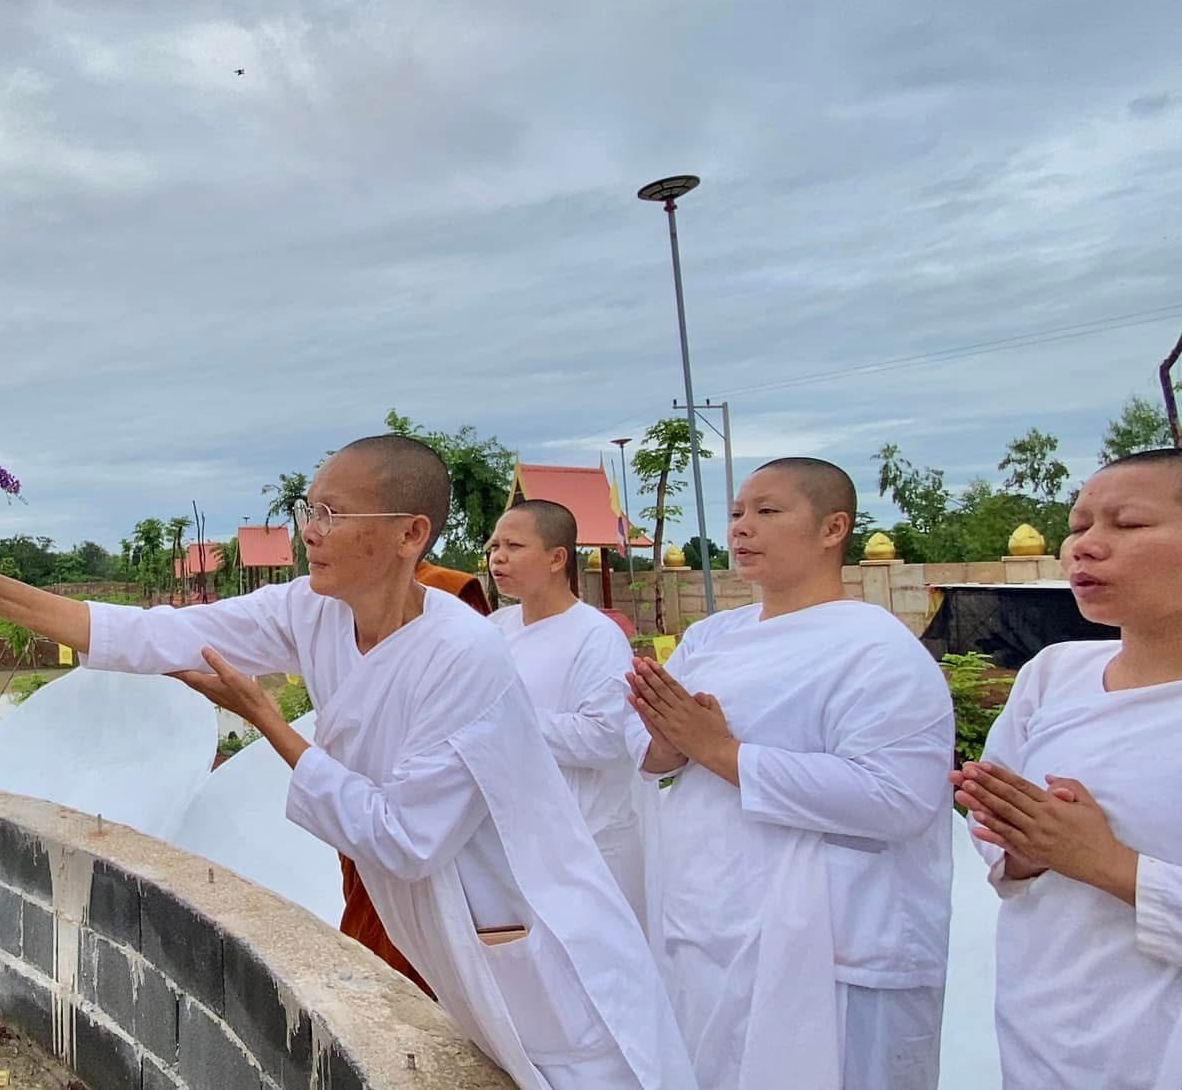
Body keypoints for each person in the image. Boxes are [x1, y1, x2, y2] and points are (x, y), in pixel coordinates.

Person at [0, 435, 695, 1090]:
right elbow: (148, 633)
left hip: (526, 923)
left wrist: (270, 726)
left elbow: (406, 838)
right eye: (306, 509)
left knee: (585, 1066)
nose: (308, 529)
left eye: (331, 512)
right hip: (432, 915)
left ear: (409, 535)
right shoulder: (310, 610)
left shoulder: (464, 652)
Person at [624, 458, 952, 1090]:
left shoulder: (877, 649)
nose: (743, 529)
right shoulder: (714, 635)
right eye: (738, 514)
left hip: (832, 941)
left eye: (768, 512)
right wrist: (669, 744)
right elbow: (652, 752)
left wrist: (723, 752)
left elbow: (896, 800)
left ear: (834, 528)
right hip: (710, 916)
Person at [953, 448, 1182, 1088]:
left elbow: (1083, 852)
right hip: (1046, 1020)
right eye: (1079, 526)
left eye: (1127, 524)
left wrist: (1109, 864)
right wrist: (1023, 845)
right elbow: (999, 819)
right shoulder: (1054, 673)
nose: (1086, 546)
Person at [487, 500, 648, 919]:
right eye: (494, 546)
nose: (498, 557)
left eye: (515, 546)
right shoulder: (495, 629)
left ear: (557, 558)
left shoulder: (595, 637)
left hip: (587, 841)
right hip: (513, 836)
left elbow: (607, 738)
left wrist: (504, 723)